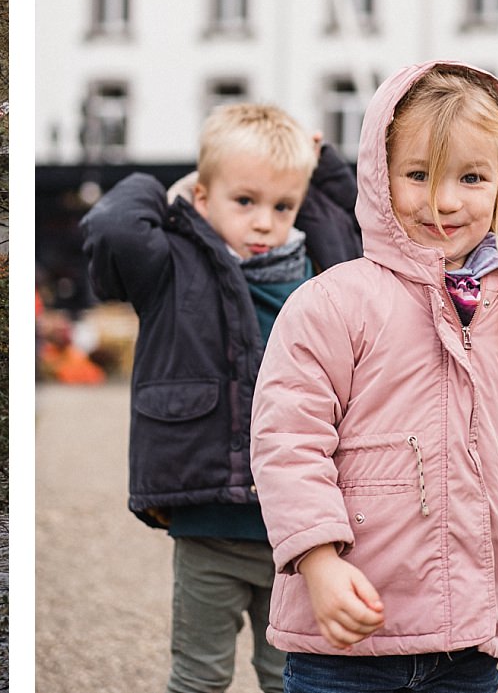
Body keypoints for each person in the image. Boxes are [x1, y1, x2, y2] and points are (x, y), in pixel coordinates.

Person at [249, 62, 498, 693]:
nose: (443, 201)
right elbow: (288, 443)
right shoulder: (334, 303)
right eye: (418, 175)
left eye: (470, 177)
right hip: (346, 644)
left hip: (469, 645)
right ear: (380, 178)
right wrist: (318, 561)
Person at [81, 103, 362, 693]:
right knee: (199, 674)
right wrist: (177, 186)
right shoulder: (176, 263)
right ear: (203, 199)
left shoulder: (323, 266)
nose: (264, 223)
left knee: (287, 674)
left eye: (282, 207)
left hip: (303, 532)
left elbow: (360, 215)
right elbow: (111, 228)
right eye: (244, 202)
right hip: (208, 518)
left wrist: (322, 164)